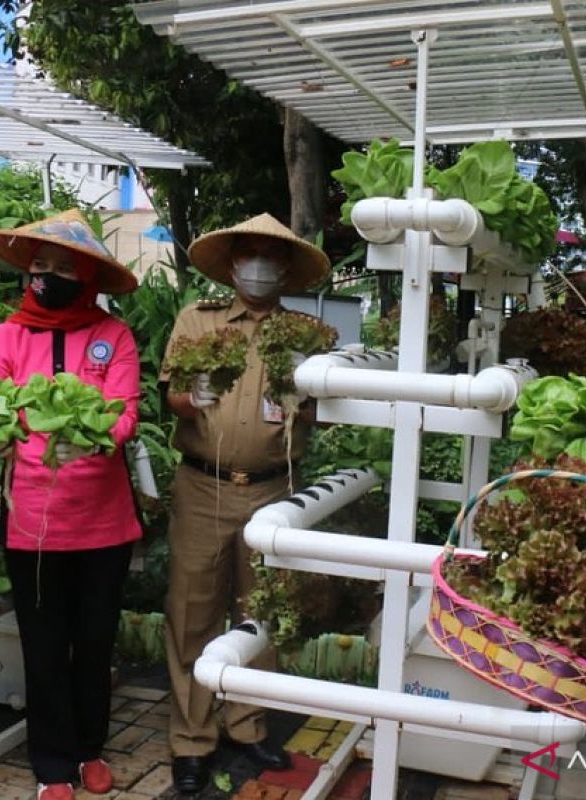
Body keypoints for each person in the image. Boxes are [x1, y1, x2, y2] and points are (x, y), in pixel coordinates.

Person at [160, 213, 329, 795]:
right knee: (192, 613)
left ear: (285, 269)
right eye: (249, 255)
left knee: (260, 612)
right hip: (202, 484)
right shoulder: (197, 321)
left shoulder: (307, 333)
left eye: (271, 257)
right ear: (232, 265)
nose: (259, 266)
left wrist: (310, 396)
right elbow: (173, 397)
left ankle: (247, 725)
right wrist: (192, 395)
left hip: (272, 489)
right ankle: (191, 740)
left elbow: (326, 408)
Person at [0, 210, 143, 800]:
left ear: (88, 276)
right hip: (31, 523)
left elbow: (123, 412)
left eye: (62, 268)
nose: (47, 278)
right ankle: (52, 764)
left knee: (94, 642)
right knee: (43, 645)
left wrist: (86, 433)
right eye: (39, 267)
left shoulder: (113, 336)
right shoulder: (6, 336)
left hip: (104, 521)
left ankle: (90, 748)